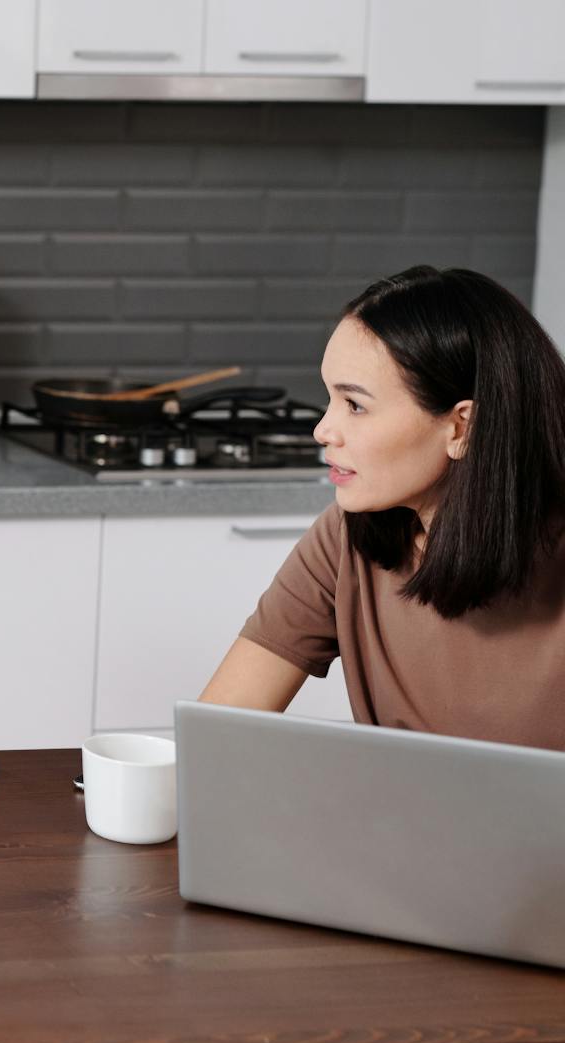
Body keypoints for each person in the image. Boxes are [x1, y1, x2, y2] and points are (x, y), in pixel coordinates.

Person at [200, 265, 565, 750]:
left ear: (461, 428)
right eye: (330, 398)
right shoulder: (346, 538)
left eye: (354, 404)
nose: (322, 431)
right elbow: (217, 732)